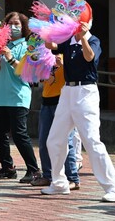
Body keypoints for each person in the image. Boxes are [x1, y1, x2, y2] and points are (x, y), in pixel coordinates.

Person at [42, 17, 115, 202]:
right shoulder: (67, 41)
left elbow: (89, 57)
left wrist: (83, 37)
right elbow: (49, 44)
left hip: (86, 92)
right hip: (67, 92)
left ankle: (114, 187)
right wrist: (48, 28)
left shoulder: (93, 40)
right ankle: (59, 183)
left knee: (92, 141)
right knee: (54, 140)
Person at [0, 12, 42, 183]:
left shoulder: (26, 46)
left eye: (16, 23)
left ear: (23, 26)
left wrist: (9, 57)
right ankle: (7, 167)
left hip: (17, 96)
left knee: (19, 134)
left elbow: (27, 73)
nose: (12, 26)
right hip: (0, 96)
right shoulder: (0, 46)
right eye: (9, 23)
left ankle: (33, 169)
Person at [30, 54, 80, 189]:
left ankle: (72, 178)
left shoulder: (68, 54)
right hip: (46, 102)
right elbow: (40, 79)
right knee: (44, 141)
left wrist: (63, 64)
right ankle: (48, 175)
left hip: (63, 101)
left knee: (66, 140)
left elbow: (77, 75)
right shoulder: (45, 56)